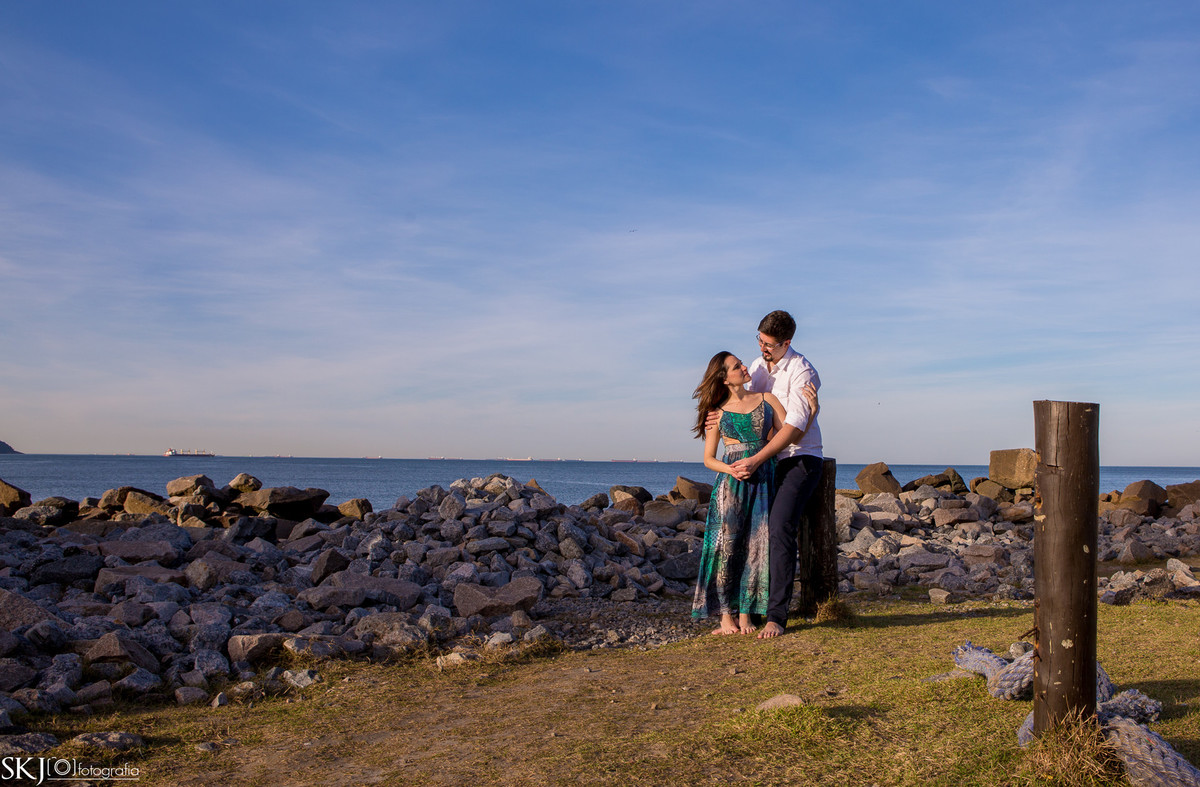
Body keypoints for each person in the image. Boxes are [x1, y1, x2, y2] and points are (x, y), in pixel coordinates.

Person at [726, 310, 824, 639]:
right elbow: (738, 398)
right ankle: (747, 609)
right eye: (760, 340)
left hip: (799, 459)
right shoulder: (755, 367)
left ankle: (776, 617)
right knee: (753, 530)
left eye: (769, 345)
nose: (763, 349)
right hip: (766, 459)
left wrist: (756, 460)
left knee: (780, 527)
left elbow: (794, 432)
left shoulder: (802, 372)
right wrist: (716, 419)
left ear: (787, 343)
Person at [690, 351, 789, 635]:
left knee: (756, 546)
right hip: (732, 486)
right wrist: (731, 469)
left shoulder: (767, 399)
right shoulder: (717, 413)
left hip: (764, 480)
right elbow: (708, 459)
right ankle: (724, 616)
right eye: (736, 366)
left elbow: (786, 434)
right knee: (727, 548)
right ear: (724, 377)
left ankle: (746, 614)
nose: (744, 367)